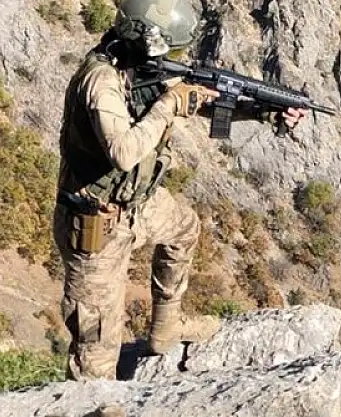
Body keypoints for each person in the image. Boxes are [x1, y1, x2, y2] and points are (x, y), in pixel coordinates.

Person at [53, 0, 306, 380]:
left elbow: (197, 100)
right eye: (170, 52)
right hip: (95, 226)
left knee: (184, 227)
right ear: (144, 41)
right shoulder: (101, 80)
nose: (174, 59)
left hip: (138, 204)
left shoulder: (139, 64)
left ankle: (166, 328)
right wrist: (169, 105)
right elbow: (124, 153)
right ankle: (95, 400)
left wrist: (263, 111)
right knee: (96, 351)